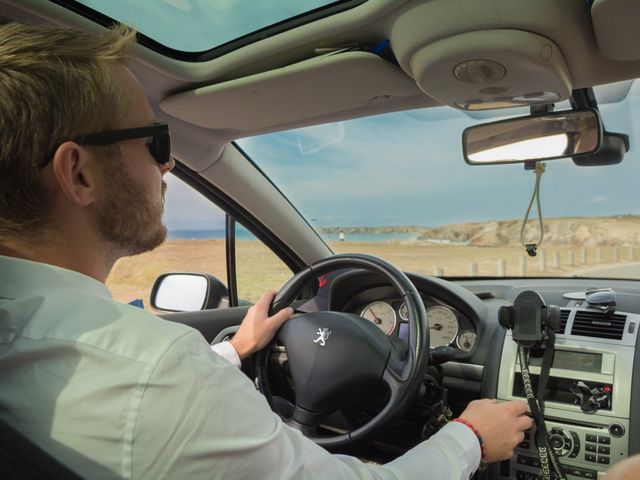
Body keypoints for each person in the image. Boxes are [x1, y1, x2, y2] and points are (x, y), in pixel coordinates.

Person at [0, 22, 532, 479]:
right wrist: (472, 438)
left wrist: (234, 350)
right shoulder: (160, 372)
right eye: (156, 143)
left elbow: (142, 408)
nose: (167, 166)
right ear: (78, 172)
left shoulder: (94, 362)